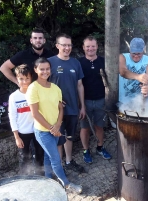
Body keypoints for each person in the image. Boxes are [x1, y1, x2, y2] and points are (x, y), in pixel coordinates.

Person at [26, 57, 82, 194]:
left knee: (47, 156)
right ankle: (67, 185)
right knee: (56, 158)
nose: (45, 72)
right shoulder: (33, 88)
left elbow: (60, 108)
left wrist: (58, 125)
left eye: (47, 69)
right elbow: (35, 114)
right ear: (35, 70)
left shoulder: (55, 88)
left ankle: (48, 180)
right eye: (42, 69)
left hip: (56, 129)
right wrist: (52, 128)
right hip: (43, 132)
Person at [48, 33, 85, 172]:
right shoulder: (49, 62)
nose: (67, 48)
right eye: (64, 45)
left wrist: (82, 106)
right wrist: (54, 101)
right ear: (57, 46)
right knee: (58, 137)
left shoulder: (76, 63)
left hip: (73, 107)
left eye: (69, 45)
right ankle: (59, 167)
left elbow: (80, 85)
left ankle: (69, 161)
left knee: (70, 136)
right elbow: (43, 85)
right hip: (55, 110)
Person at [79, 36, 111, 163]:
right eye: (87, 46)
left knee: (99, 126)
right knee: (85, 128)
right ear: (83, 47)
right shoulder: (79, 63)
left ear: (97, 47)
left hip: (100, 100)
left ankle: (100, 147)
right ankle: (86, 151)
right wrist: (80, 104)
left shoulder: (104, 62)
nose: (90, 48)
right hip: (84, 101)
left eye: (93, 46)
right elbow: (77, 84)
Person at [8, 64, 44, 175]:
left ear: (31, 78)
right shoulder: (14, 97)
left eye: (27, 78)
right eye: (21, 79)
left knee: (40, 154)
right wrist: (17, 137)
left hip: (37, 130)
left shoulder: (36, 92)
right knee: (25, 157)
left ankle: (41, 176)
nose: (24, 82)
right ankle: (25, 179)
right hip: (23, 133)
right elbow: (12, 117)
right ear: (17, 78)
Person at [119, 37, 148, 103]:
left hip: (139, 101)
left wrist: (147, 87)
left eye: (139, 53)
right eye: (134, 53)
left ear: (143, 50)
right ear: (129, 50)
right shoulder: (122, 57)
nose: (136, 56)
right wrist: (138, 77)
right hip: (122, 100)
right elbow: (123, 72)